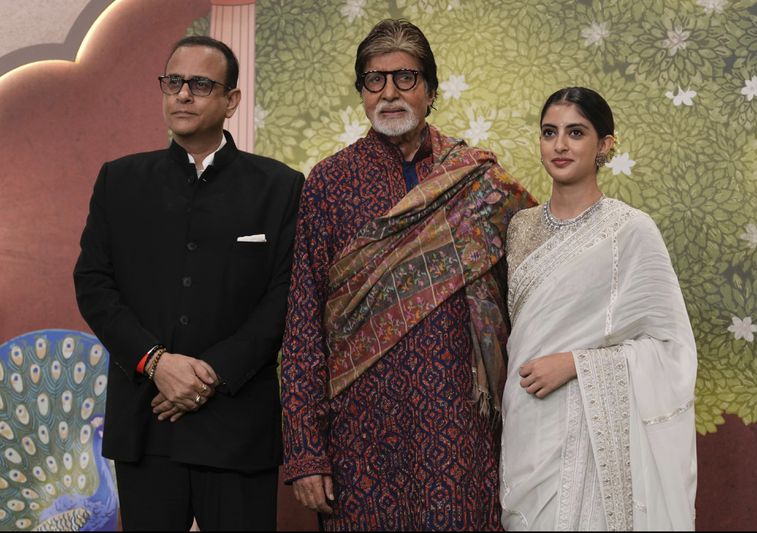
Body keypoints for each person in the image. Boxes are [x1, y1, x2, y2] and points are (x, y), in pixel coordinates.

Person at [280, 18, 535, 531]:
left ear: (431, 91)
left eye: (406, 78)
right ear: (361, 92)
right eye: (375, 79)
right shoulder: (329, 183)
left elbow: (535, 288)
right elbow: (304, 322)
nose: (390, 93)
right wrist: (306, 453)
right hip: (361, 428)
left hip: (459, 420)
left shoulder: (477, 180)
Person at [73, 36, 303, 531]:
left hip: (237, 425)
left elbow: (286, 298)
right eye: (173, 82)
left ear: (231, 100)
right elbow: (94, 284)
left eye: (200, 84)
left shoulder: (280, 187)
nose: (183, 95)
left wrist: (209, 374)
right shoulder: (120, 181)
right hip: (146, 421)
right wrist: (155, 363)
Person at [499, 86, 697, 531]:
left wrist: (576, 364)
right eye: (550, 133)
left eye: (576, 132)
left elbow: (670, 348)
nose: (560, 145)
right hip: (527, 423)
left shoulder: (631, 231)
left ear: (605, 144)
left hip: (591, 429)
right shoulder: (519, 227)